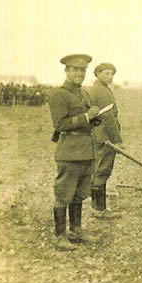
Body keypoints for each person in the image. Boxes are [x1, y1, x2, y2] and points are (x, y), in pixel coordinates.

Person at [48, 54, 99, 251]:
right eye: (75, 69)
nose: (79, 73)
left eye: (82, 70)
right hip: (70, 152)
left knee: (80, 194)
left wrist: (94, 119)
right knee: (64, 194)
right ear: (67, 71)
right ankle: (59, 236)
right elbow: (61, 124)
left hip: (87, 151)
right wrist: (86, 116)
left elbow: (85, 120)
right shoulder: (59, 95)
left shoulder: (84, 94)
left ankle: (76, 230)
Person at [89, 62, 123, 220]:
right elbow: (109, 118)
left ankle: (95, 205)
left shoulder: (97, 88)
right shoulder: (102, 91)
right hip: (105, 136)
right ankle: (100, 210)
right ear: (97, 74)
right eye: (106, 73)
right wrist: (117, 140)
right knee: (103, 171)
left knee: (97, 170)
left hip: (97, 134)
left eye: (111, 74)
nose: (109, 77)